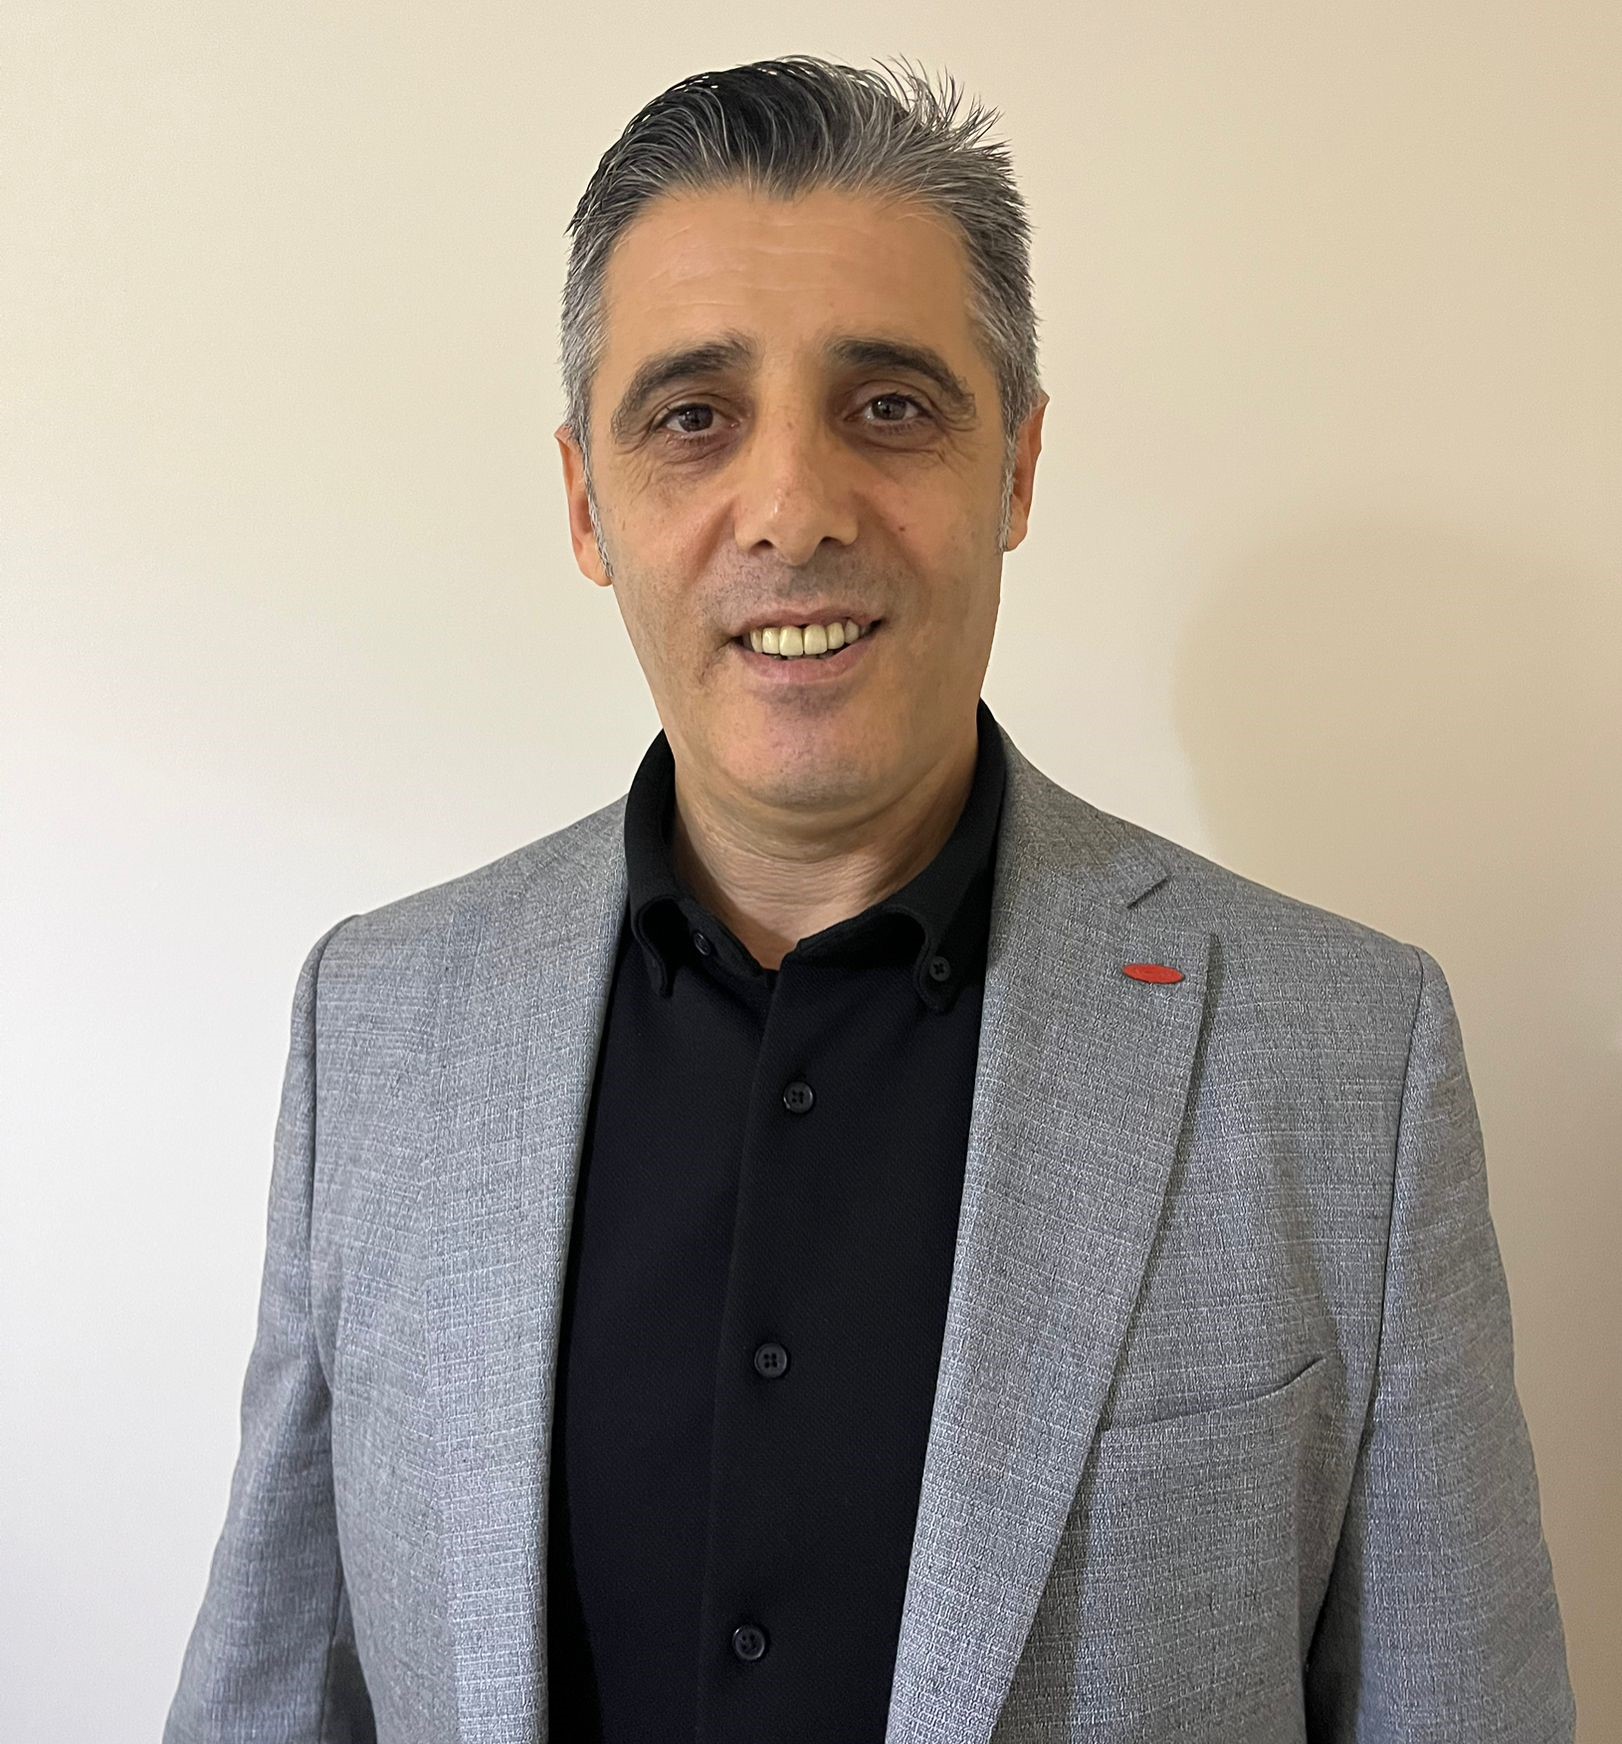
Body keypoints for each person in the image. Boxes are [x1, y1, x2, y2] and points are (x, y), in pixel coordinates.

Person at [165, 53, 1575, 1744]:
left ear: (1017, 469)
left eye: (889, 406)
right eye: (693, 417)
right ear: (586, 501)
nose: (793, 509)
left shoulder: (1348, 1058)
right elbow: (274, 1694)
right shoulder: (379, 1026)